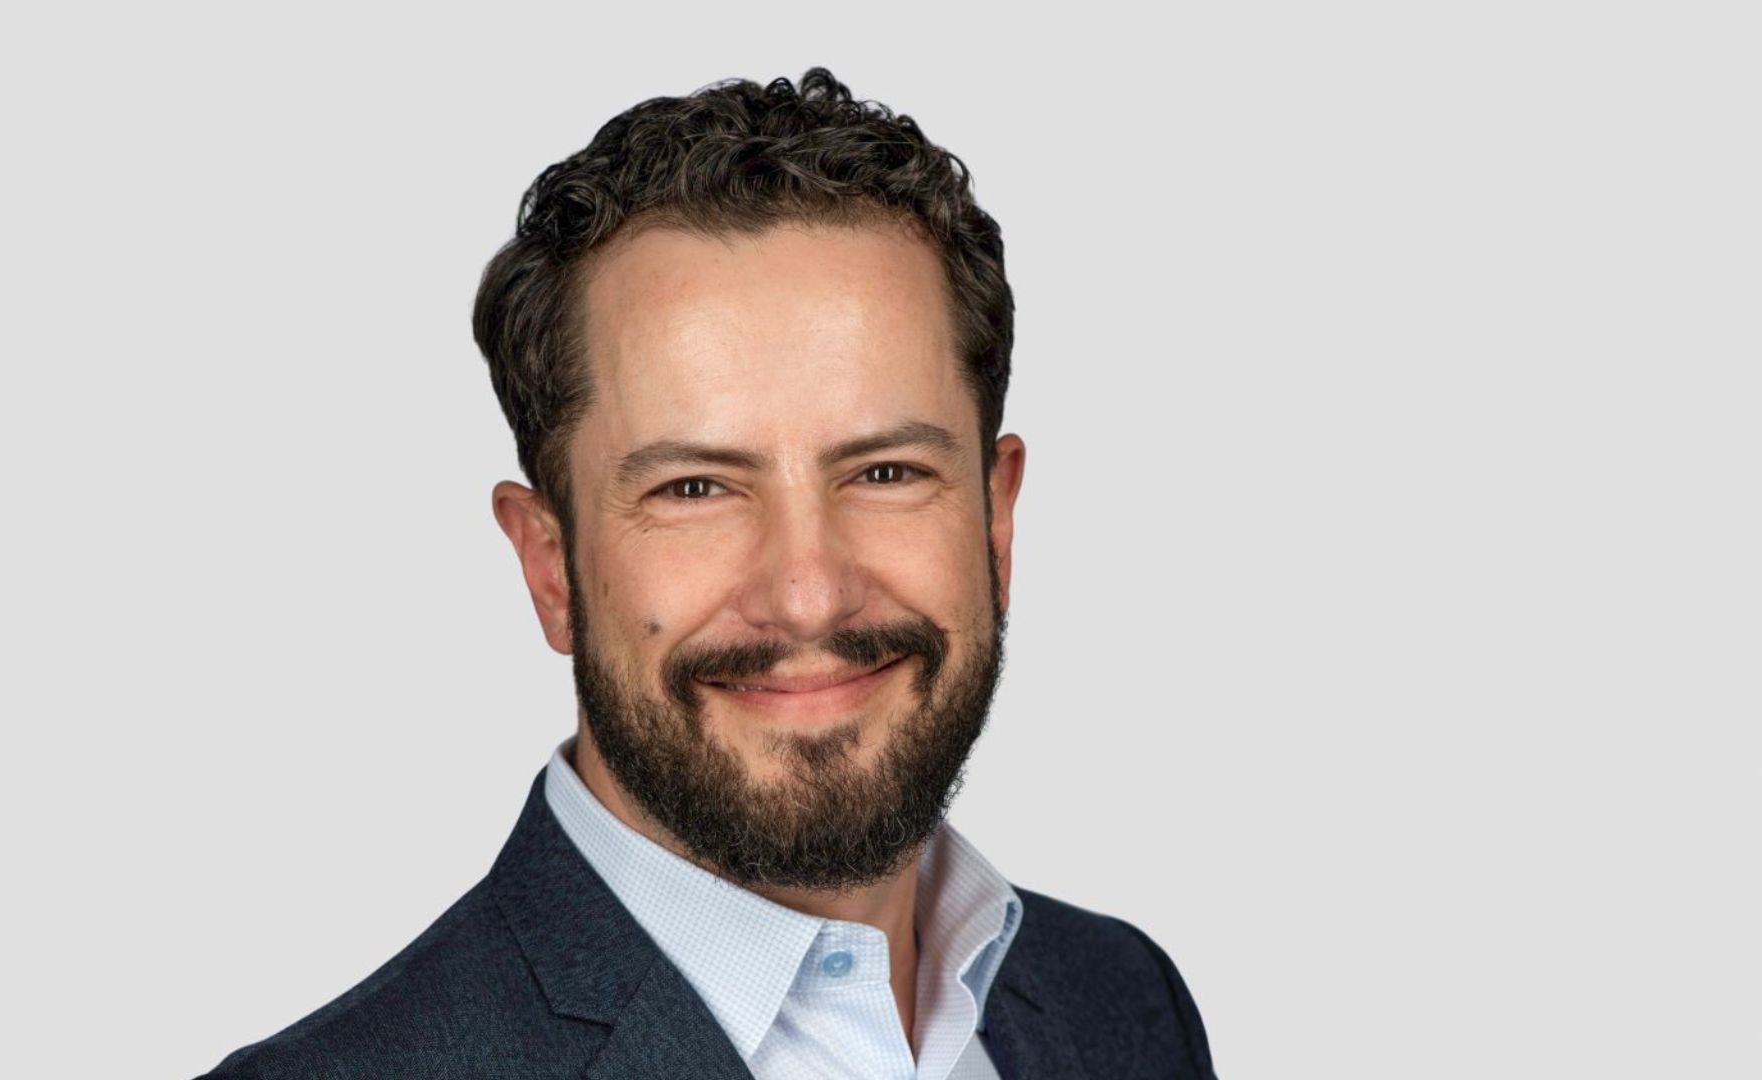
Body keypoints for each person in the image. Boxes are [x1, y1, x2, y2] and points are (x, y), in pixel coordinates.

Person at [198, 67, 1214, 1080]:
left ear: (996, 520)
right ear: (550, 566)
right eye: (695, 490)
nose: (808, 592)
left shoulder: (1120, 1003)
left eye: (887, 471)